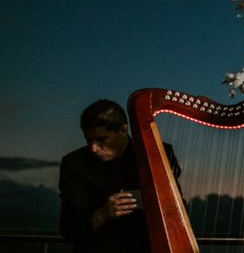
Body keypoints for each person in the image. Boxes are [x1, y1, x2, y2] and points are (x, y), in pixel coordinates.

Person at [59, 99, 180, 252]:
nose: (93, 148)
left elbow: (179, 210)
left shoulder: (158, 152)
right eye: (88, 140)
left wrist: (153, 201)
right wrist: (102, 214)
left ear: (123, 130)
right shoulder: (75, 164)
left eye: (102, 140)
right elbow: (68, 230)